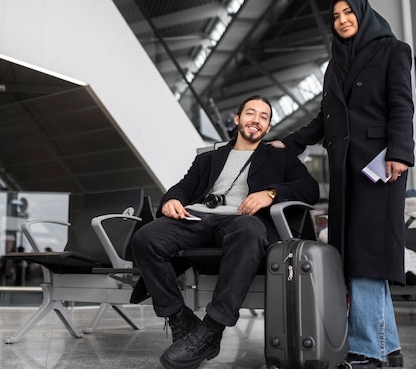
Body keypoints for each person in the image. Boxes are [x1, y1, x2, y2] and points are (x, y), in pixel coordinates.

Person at [273, 0, 414, 368]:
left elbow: (402, 104)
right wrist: (291, 142)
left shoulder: (393, 51)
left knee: (369, 255)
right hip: (344, 169)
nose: (342, 20)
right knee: (353, 256)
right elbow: (325, 119)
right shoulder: (334, 66)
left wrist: (400, 152)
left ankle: (368, 351)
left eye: (348, 12)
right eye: (335, 16)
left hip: (381, 168)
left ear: (364, 14)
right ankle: (389, 350)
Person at [130, 95, 319, 369]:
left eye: (263, 117)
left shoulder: (281, 158)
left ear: (267, 128)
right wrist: (171, 200)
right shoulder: (209, 158)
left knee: (250, 231)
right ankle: (178, 317)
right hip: (197, 218)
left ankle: (211, 328)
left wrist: (271, 193)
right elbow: (184, 187)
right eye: (251, 113)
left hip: (242, 221)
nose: (256, 120)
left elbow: (310, 189)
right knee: (146, 237)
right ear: (238, 119)